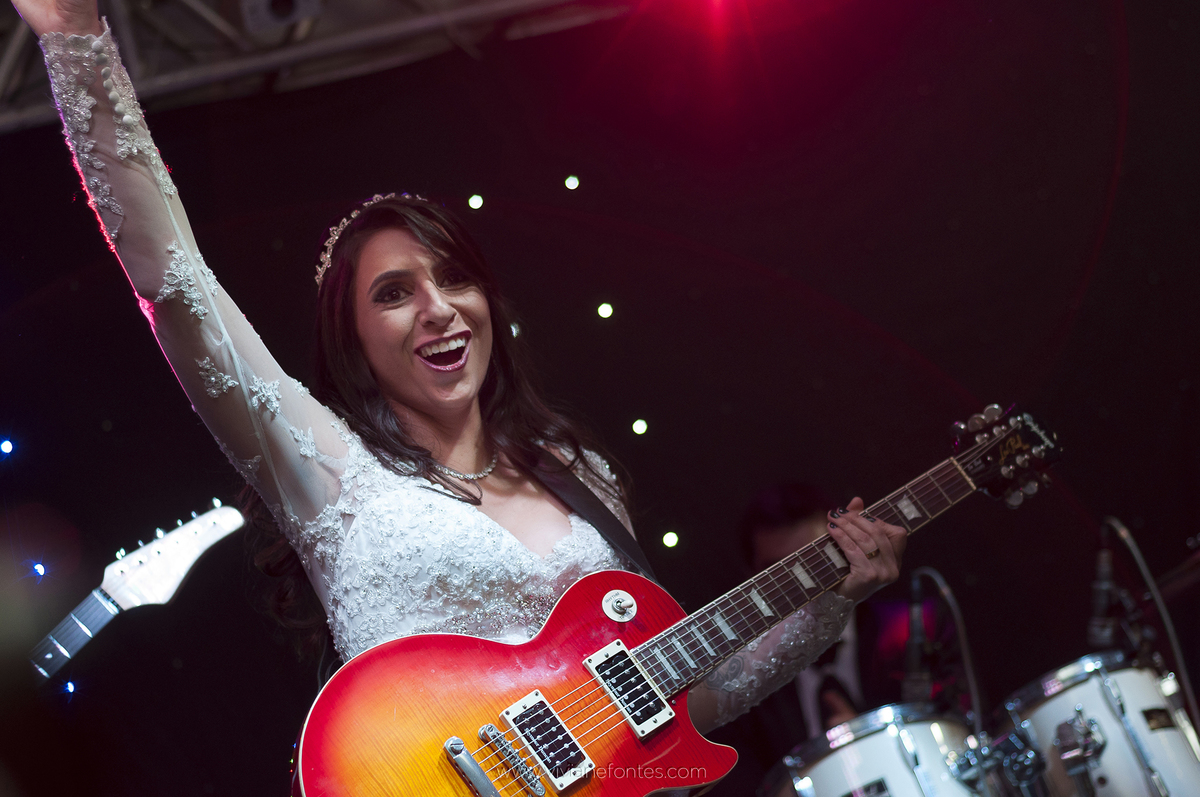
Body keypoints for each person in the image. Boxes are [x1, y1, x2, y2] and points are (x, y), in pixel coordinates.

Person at [11, 0, 907, 751]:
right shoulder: (329, 467)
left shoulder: (582, 475)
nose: (438, 308)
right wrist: (76, 38)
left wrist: (826, 605)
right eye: (395, 293)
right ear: (354, 340)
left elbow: (681, 708)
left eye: (454, 279)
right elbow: (176, 284)